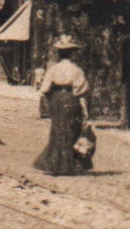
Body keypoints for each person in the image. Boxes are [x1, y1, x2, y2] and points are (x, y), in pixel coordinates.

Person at [34, 35, 91, 176]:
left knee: (58, 129)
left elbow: (45, 89)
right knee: (71, 129)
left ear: (59, 53)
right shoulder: (76, 70)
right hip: (71, 99)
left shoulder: (53, 69)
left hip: (58, 100)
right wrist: (84, 109)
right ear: (71, 54)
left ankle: (55, 164)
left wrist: (50, 97)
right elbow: (81, 90)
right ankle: (70, 164)